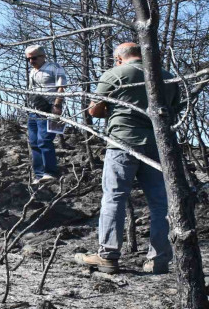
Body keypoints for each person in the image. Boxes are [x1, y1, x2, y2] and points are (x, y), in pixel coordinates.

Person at [74, 42, 179, 274]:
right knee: (162, 204)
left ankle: (108, 256)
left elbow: (94, 110)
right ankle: (159, 260)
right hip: (158, 145)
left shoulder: (115, 74)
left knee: (114, 198)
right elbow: (173, 109)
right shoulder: (167, 76)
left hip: (122, 143)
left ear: (118, 59)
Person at [25, 45, 67, 184]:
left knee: (44, 140)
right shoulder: (32, 72)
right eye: (28, 59)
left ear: (43, 56)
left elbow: (62, 87)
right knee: (34, 142)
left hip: (49, 108)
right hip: (33, 109)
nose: (31, 61)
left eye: (34, 58)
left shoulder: (55, 67)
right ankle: (39, 175)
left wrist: (57, 105)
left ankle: (50, 172)